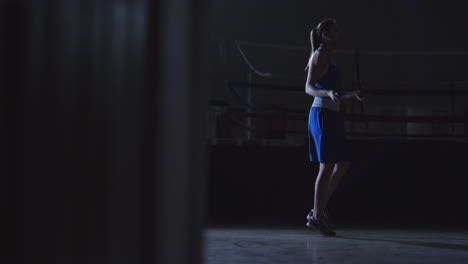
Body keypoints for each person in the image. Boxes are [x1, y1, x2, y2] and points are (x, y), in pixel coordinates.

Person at [304, 18, 364, 236]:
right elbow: (308, 88)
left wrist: (351, 94)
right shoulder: (319, 55)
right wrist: (327, 93)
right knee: (326, 166)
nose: (339, 34)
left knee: (343, 164)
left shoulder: (329, 57)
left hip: (333, 114)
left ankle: (316, 213)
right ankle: (317, 216)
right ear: (325, 35)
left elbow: (334, 94)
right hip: (321, 114)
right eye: (336, 31)